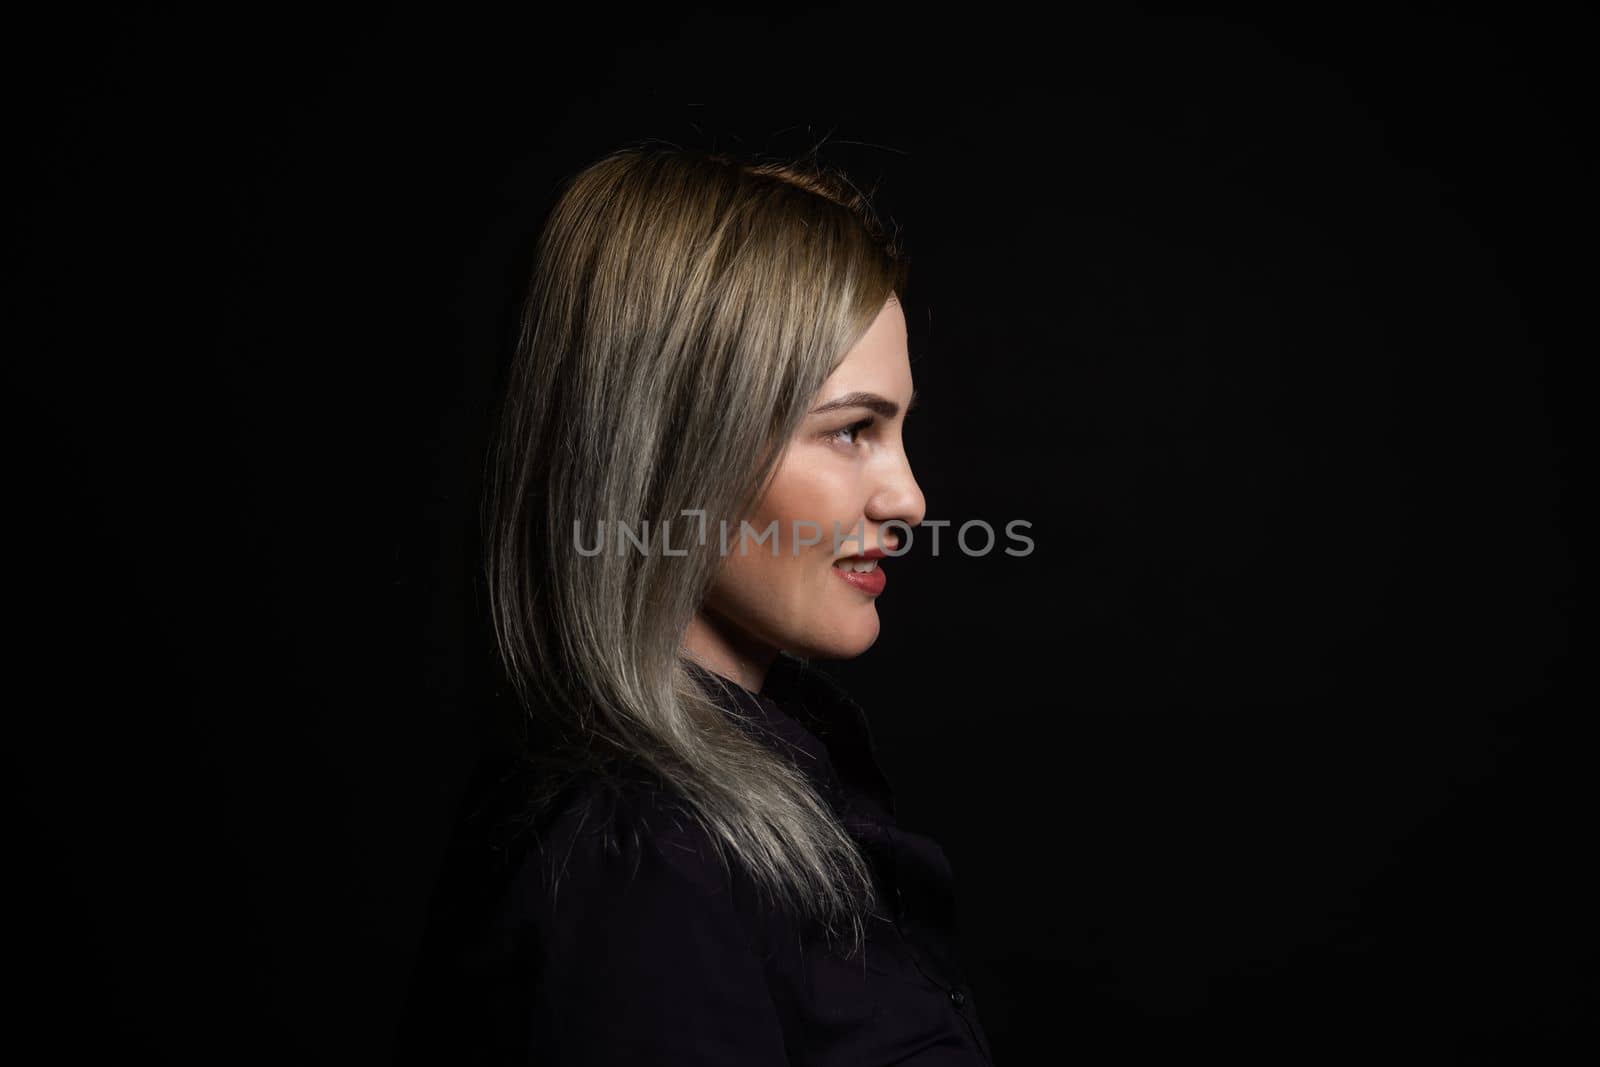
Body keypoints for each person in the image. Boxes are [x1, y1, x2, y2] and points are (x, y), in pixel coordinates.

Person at [398, 143, 995, 1065]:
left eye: (898, 430)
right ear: (679, 448)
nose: (909, 497)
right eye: (852, 431)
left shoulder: (749, 791)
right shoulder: (638, 860)